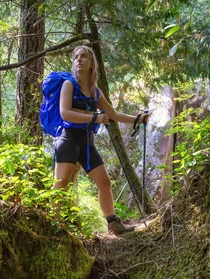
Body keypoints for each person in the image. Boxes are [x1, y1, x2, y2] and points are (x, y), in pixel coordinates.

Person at [54, 45, 149, 235]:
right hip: (68, 140)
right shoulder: (68, 85)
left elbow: (112, 113)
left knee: (104, 182)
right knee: (61, 184)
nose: (79, 59)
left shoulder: (95, 91)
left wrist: (136, 119)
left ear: (91, 64)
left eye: (84, 57)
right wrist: (93, 117)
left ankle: (113, 224)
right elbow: (65, 113)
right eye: (76, 57)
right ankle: (55, 224)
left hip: (87, 143)